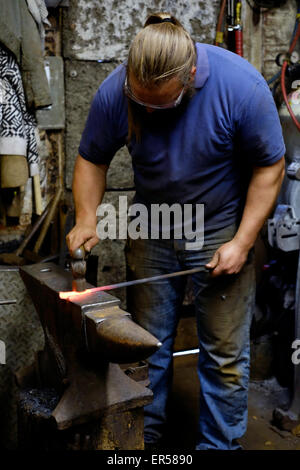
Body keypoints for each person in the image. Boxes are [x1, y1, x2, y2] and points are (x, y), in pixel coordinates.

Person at [66, 12, 286, 450]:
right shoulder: (117, 90)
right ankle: (143, 441)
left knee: (224, 355)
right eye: (140, 99)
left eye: (160, 105)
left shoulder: (240, 87)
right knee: (146, 347)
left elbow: (270, 165)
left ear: (189, 76)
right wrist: (87, 217)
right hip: (153, 224)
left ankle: (218, 446)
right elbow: (92, 158)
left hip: (222, 223)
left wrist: (242, 242)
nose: (147, 111)